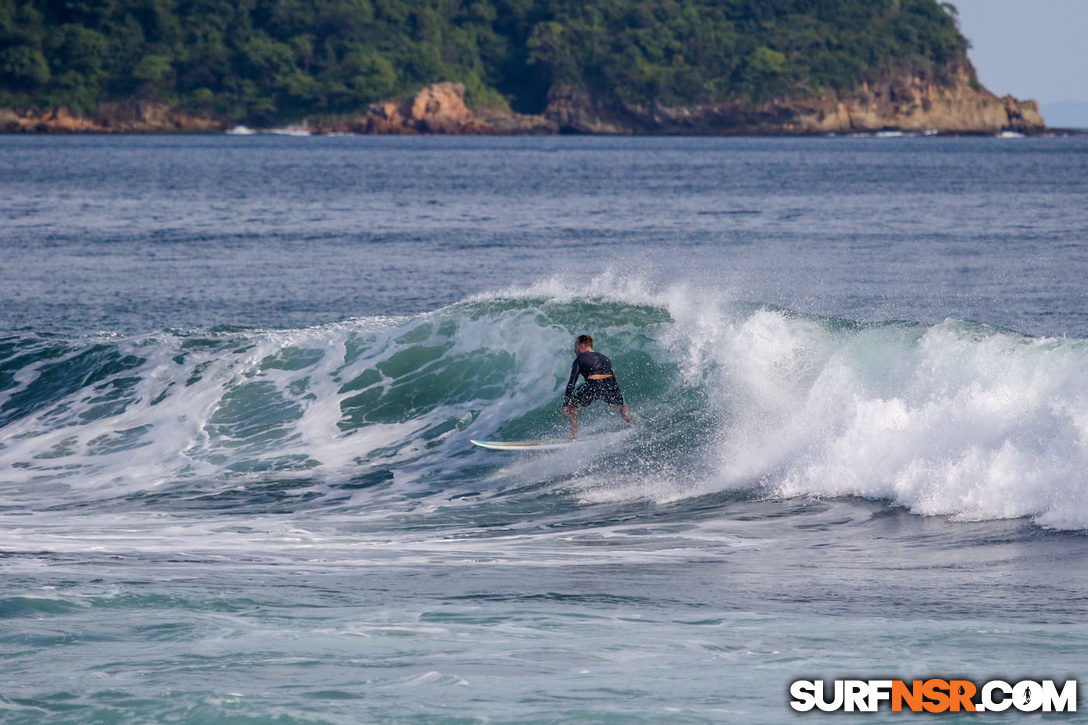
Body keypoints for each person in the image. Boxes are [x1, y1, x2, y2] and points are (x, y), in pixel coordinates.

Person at [563, 334, 633, 440]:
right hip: (610, 384)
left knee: (572, 402)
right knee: (622, 402)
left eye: (575, 347)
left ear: (582, 346)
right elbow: (612, 378)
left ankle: (573, 435)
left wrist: (566, 403)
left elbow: (572, 383)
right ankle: (631, 423)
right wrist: (611, 398)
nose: (574, 350)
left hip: (593, 384)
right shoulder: (604, 357)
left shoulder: (579, 359)